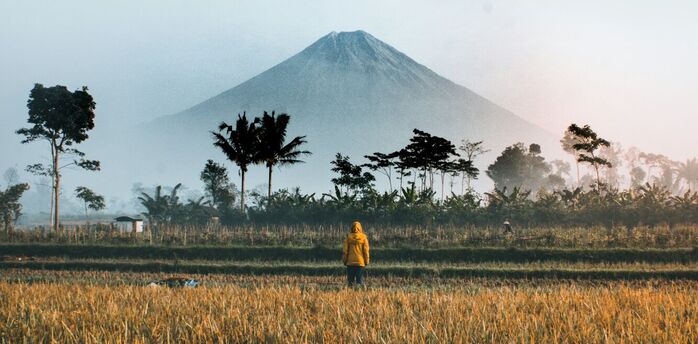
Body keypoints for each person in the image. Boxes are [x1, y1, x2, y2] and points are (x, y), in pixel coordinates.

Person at [342, 221, 370, 287]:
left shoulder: (348, 238)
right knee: (359, 281)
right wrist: (366, 261)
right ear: (360, 228)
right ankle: (359, 294)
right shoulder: (364, 238)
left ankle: (349, 295)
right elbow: (366, 251)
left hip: (350, 263)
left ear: (352, 228)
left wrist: (344, 261)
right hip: (360, 263)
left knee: (350, 282)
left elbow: (345, 251)